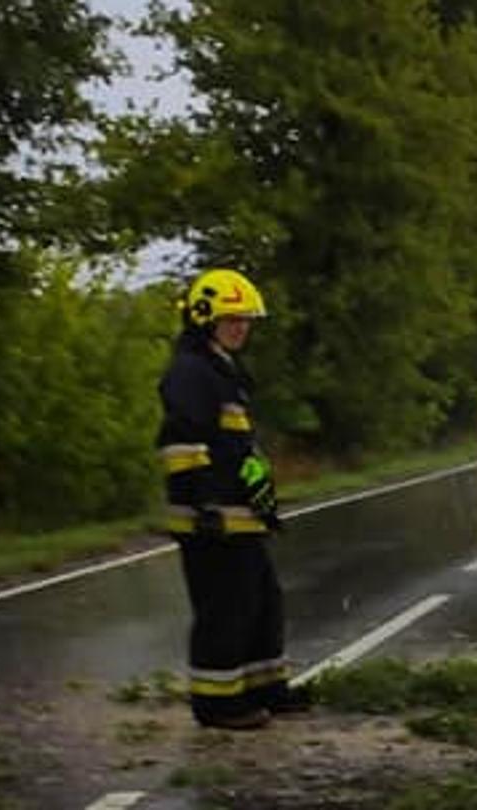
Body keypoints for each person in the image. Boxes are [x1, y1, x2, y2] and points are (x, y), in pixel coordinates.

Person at [155, 268, 305, 730]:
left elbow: (241, 449)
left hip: (239, 517)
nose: (242, 327)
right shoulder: (191, 371)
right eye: (232, 319)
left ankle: (266, 689)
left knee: (262, 602)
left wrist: (264, 504)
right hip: (210, 521)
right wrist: (203, 506)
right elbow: (181, 443)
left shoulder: (222, 368)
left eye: (246, 320)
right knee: (224, 610)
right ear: (205, 319)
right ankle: (217, 703)